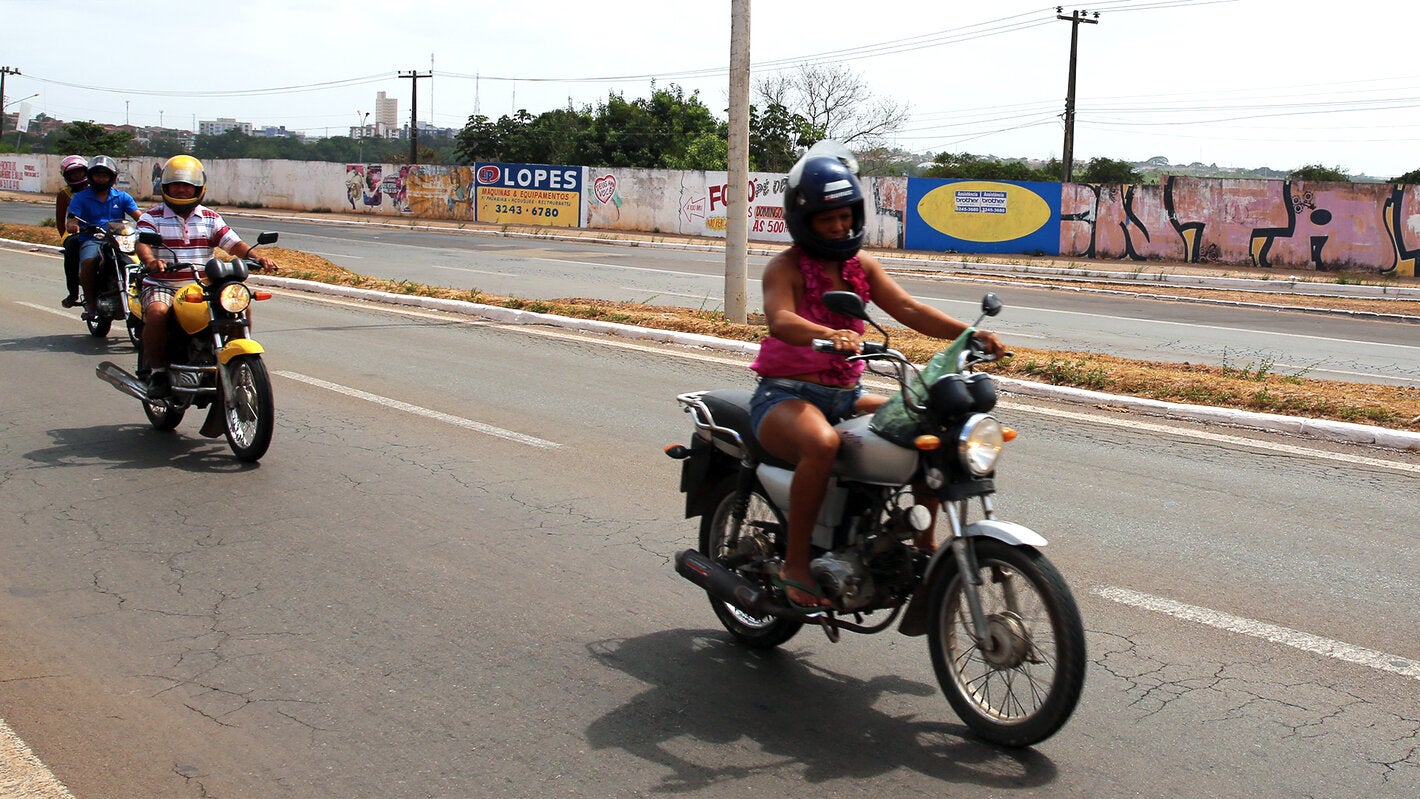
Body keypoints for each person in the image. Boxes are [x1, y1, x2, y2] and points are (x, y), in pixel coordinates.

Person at [748, 150, 1006, 610]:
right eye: (826, 218)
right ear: (804, 218)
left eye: (845, 216)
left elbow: (907, 309)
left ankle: (925, 550)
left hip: (847, 395)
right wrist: (828, 333)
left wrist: (968, 334)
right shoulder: (783, 267)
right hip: (785, 395)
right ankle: (796, 564)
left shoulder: (861, 266)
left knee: (930, 427)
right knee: (821, 445)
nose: (837, 227)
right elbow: (780, 319)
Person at [134, 155, 276, 398]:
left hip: (203, 285)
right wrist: (151, 261)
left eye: (186, 185)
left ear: (198, 188)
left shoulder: (210, 217)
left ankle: (237, 363)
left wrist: (257, 257)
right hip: (163, 283)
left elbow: (232, 243)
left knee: (240, 308)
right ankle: (157, 371)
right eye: (175, 185)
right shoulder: (151, 216)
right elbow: (142, 243)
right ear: (165, 187)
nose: (181, 190)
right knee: (157, 313)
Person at [64, 155, 140, 320]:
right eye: (97, 175)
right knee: (89, 262)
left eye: (104, 175)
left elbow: (140, 218)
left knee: (138, 263)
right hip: (92, 238)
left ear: (112, 178)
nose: (101, 179)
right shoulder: (80, 197)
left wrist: (151, 226)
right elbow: (72, 218)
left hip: (119, 239)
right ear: (91, 177)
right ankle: (91, 304)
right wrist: (72, 225)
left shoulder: (122, 197)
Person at [54, 155, 89, 307]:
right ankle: (73, 293)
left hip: (98, 230)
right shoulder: (64, 194)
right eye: (73, 173)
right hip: (74, 231)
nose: (77, 176)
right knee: (72, 251)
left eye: (79, 172)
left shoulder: (96, 189)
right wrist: (65, 237)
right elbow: (60, 220)